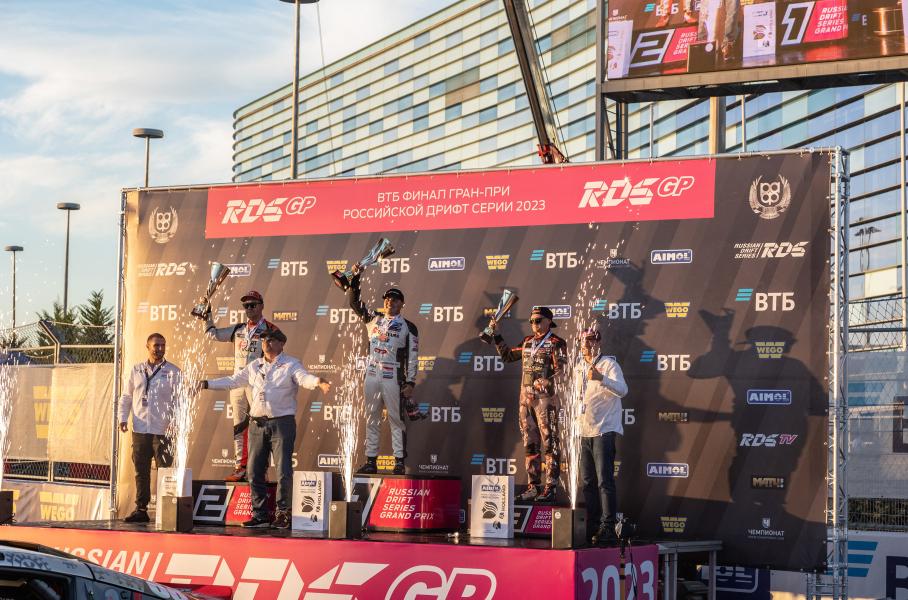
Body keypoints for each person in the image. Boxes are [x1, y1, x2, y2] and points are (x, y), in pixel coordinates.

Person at [200, 329, 330, 529]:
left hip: (281, 423)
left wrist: (317, 382)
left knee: (283, 470)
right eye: (263, 340)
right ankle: (260, 515)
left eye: (271, 340)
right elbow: (233, 381)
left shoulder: (291, 364)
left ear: (281, 343)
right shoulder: (254, 365)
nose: (266, 343)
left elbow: (303, 378)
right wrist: (206, 383)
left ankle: (283, 513)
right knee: (253, 471)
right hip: (257, 424)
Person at [347, 266, 421, 476]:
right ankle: (371, 461)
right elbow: (354, 303)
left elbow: (413, 356)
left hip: (393, 377)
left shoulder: (408, 327)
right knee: (371, 418)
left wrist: (410, 382)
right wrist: (355, 278)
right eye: (388, 299)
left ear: (402, 304)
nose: (390, 302)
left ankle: (399, 462)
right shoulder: (374, 318)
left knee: (396, 420)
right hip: (371, 375)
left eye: (395, 300)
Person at [490, 306, 567, 503]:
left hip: (545, 400)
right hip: (525, 400)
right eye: (532, 321)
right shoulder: (527, 342)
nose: (534, 324)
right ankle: (533, 487)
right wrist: (497, 335)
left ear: (549, 321)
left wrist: (547, 381)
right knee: (530, 444)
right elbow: (507, 356)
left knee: (550, 442)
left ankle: (550, 487)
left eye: (538, 320)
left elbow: (562, 372)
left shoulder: (556, 342)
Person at [203, 290, 281, 482]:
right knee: (239, 426)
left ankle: (261, 470)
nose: (249, 308)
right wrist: (207, 315)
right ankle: (241, 467)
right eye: (246, 306)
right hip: (238, 383)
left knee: (261, 426)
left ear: (262, 306)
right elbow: (212, 334)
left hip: (258, 384)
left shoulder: (270, 328)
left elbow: (279, 354)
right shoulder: (238, 329)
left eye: (253, 305)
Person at [118, 333, 181, 524]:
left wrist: (176, 422)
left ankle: (165, 510)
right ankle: (141, 509)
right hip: (140, 429)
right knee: (141, 471)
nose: (160, 349)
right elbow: (126, 396)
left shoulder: (173, 371)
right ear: (147, 346)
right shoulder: (136, 369)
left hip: (163, 430)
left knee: (165, 471)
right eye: (156, 345)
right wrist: (122, 418)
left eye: (163, 345)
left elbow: (179, 400)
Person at [578, 327, 628, 546]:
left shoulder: (609, 365)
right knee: (587, 483)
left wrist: (601, 378)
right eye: (583, 341)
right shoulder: (578, 367)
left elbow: (623, 390)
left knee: (604, 481)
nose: (587, 345)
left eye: (591, 340)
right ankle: (592, 525)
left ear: (598, 343)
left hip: (603, 431)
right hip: (583, 432)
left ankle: (607, 527)